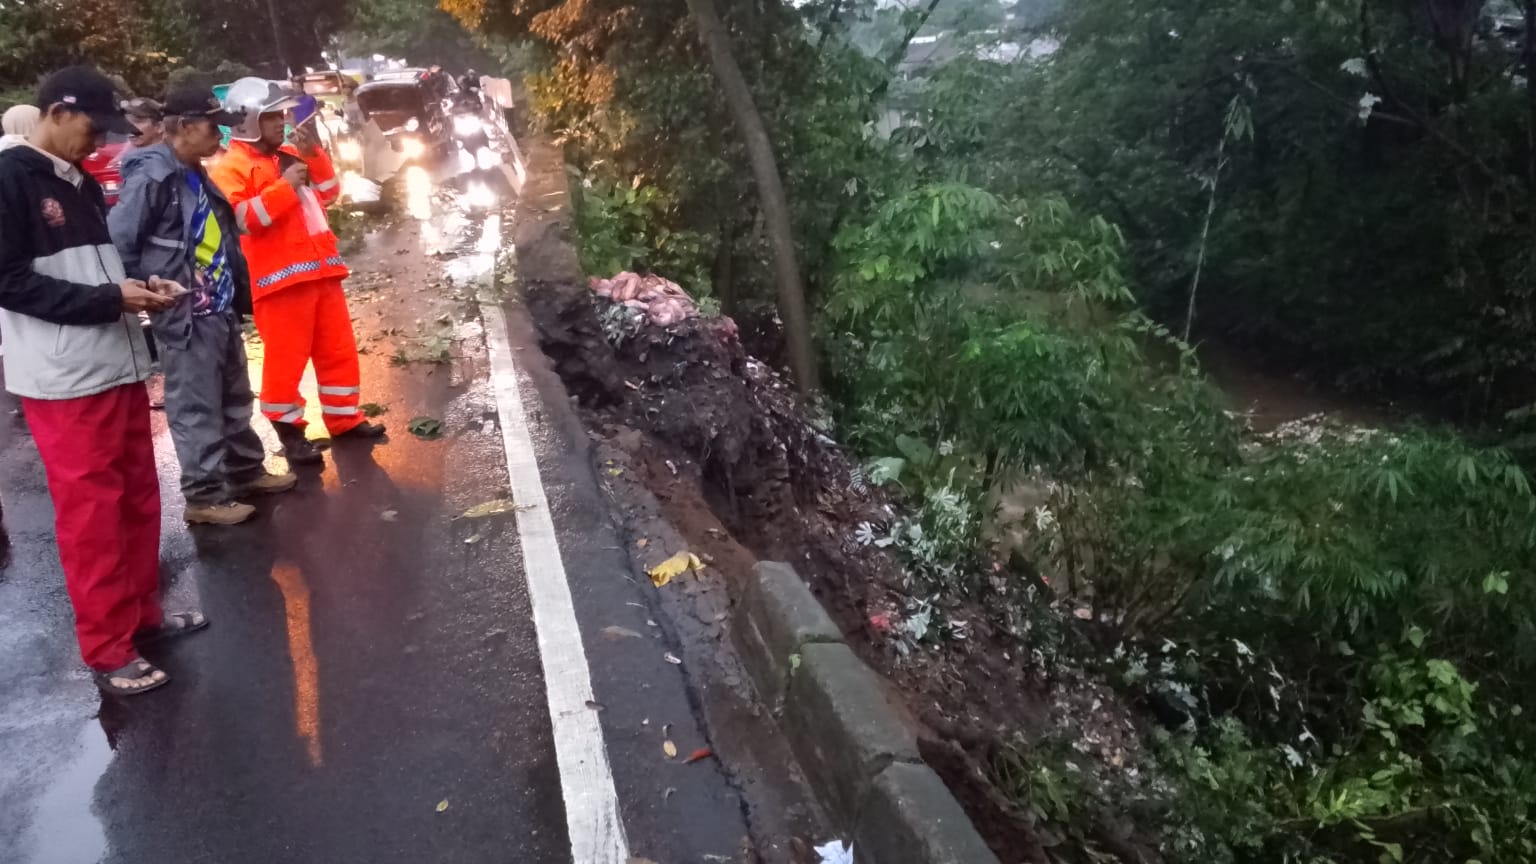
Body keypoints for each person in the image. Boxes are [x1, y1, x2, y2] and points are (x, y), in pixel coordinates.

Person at [0, 66, 208, 696]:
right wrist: (107, 301)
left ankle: (141, 616)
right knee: (91, 515)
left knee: (138, 498)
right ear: (57, 113)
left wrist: (141, 291)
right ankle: (107, 648)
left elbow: (102, 271)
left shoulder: (80, 182)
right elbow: (9, 281)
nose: (100, 142)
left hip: (115, 364)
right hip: (63, 379)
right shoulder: (11, 180)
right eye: (93, 127)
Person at [109, 86, 299, 525]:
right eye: (214, 128)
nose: (221, 137)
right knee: (196, 406)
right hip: (185, 314)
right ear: (187, 127)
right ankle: (205, 497)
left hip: (217, 307)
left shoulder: (193, 171)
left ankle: (244, 472)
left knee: (233, 396)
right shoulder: (155, 176)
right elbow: (121, 241)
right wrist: (144, 287)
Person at [209, 78, 384, 464]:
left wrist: (313, 153)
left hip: (323, 273)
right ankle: (291, 434)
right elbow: (244, 220)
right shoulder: (231, 168)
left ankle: (345, 419)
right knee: (285, 365)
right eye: (272, 116)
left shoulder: (289, 153)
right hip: (280, 283)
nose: (282, 122)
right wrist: (285, 186)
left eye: (282, 114)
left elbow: (329, 192)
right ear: (248, 121)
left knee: (337, 352)